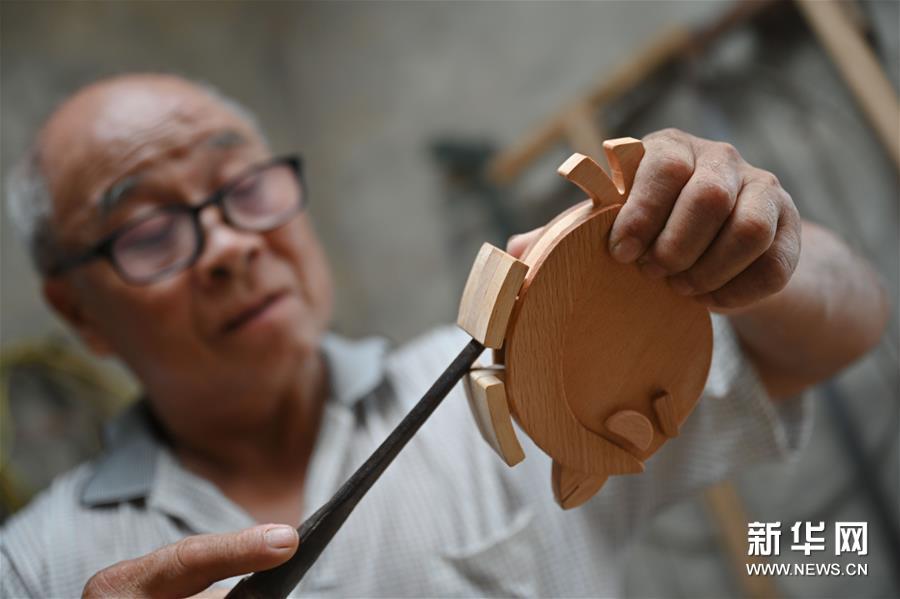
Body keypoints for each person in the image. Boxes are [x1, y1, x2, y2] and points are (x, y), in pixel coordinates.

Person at [0, 73, 888, 598]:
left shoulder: (528, 380)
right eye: (148, 230)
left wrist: (758, 246)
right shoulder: (34, 567)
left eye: (244, 186)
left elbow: (844, 327)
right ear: (78, 313)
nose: (231, 245)